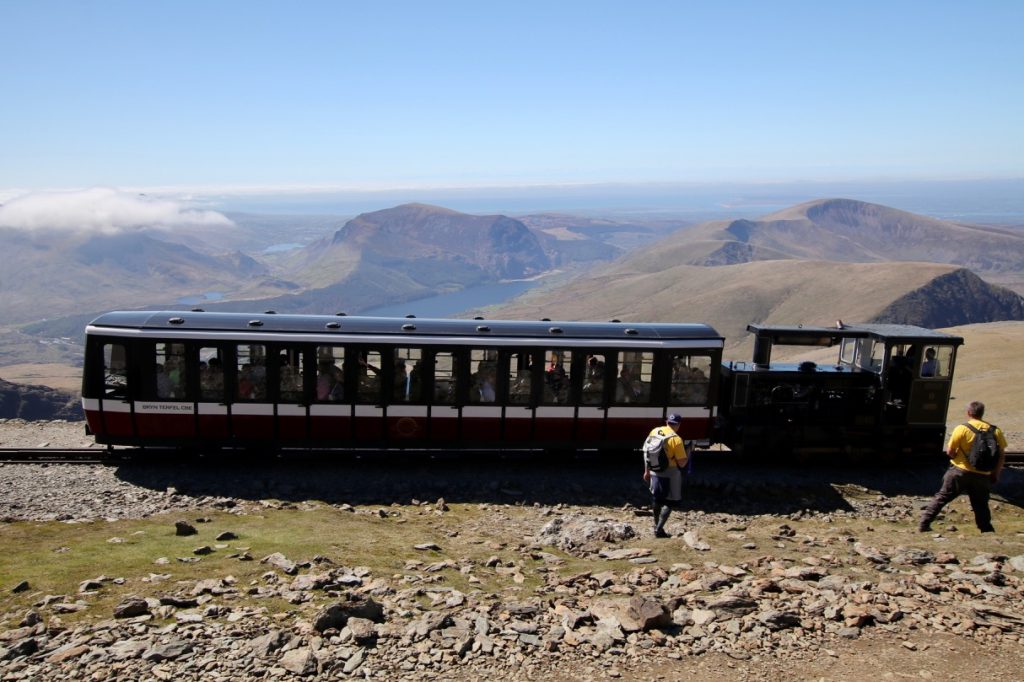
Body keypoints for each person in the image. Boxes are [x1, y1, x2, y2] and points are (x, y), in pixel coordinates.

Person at [919, 401, 1007, 533]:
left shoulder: (962, 428)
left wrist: (958, 459)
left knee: (942, 497)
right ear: (982, 413)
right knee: (981, 503)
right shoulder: (995, 430)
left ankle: (924, 524)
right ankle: (986, 530)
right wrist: (995, 473)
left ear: (968, 413)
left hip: (959, 471)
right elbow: (1001, 456)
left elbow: (950, 451)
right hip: (983, 475)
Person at [642, 413, 690, 538]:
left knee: (657, 498)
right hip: (671, 472)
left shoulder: (655, 431)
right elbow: (682, 463)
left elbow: (646, 452)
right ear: (678, 425)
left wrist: (646, 471)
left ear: (667, 422)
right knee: (670, 501)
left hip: (654, 470)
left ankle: (656, 524)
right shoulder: (676, 439)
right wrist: (689, 452)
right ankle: (659, 529)